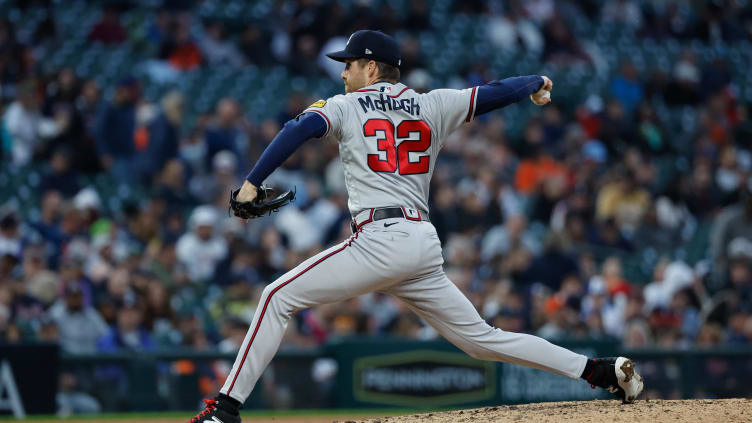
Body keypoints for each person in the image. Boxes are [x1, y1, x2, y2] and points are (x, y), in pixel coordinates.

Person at [188, 30, 643, 423]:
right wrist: (537, 83)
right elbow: (497, 90)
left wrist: (251, 182)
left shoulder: (346, 105)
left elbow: (298, 127)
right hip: (422, 243)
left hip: (381, 239)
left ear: (370, 68)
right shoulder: (432, 105)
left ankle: (224, 410)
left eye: (349, 65)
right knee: (482, 341)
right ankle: (598, 371)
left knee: (275, 296)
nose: (343, 73)